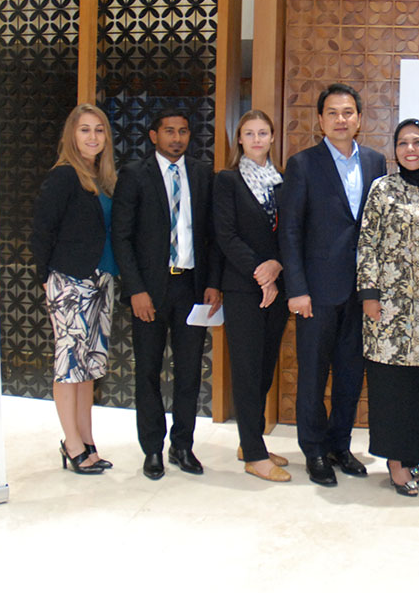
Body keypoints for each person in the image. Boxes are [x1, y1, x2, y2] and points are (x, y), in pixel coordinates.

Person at [279, 83, 386, 487]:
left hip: (362, 292)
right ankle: (314, 450)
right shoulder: (303, 164)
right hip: (316, 292)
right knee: (312, 375)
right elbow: (290, 231)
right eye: (333, 113)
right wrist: (297, 288)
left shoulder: (376, 162)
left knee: (349, 373)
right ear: (320, 119)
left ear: (359, 118)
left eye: (348, 112)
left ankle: (341, 445)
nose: (341, 120)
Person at [111, 108, 223, 481]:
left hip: (191, 287)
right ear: (154, 135)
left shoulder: (202, 173)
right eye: (169, 131)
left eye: (184, 131)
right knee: (147, 371)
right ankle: (153, 449)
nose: (177, 138)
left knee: (189, 372)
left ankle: (183, 446)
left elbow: (211, 234)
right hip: (150, 291)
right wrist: (137, 290)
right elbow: (121, 237)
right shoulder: (134, 175)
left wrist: (213, 282)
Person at [356, 119, 419, 496]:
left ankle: (414, 453)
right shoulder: (381, 189)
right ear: (395, 149)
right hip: (388, 307)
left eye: (418, 142)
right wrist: (368, 294)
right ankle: (395, 461)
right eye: (403, 143)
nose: (411, 149)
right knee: (390, 386)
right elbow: (367, 242)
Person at [30, 103, 119, 474]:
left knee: (88, 368)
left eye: (99, 130)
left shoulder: (102, 178)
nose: (93, 137)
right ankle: (72, 443)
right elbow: (41, 231)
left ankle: (87, 439)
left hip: (102, 282)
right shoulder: (64, 176)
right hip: (71, 281)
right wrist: (49, 277)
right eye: (85, 130)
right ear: (72, 135)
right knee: (69, 367)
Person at [213, 110, 291, 483]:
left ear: (273, 137)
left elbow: (289, 233)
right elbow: (225, 235)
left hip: (277, 287)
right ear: (239, 140)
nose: (257, 139)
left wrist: (276, 268)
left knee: (263, 368)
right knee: (245, 370)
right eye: (249, 133)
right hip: (244, 288)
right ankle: (254, 456)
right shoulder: (227, 181)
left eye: (264, 132)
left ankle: (252, 440)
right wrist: (261, 272)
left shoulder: (282, 182)